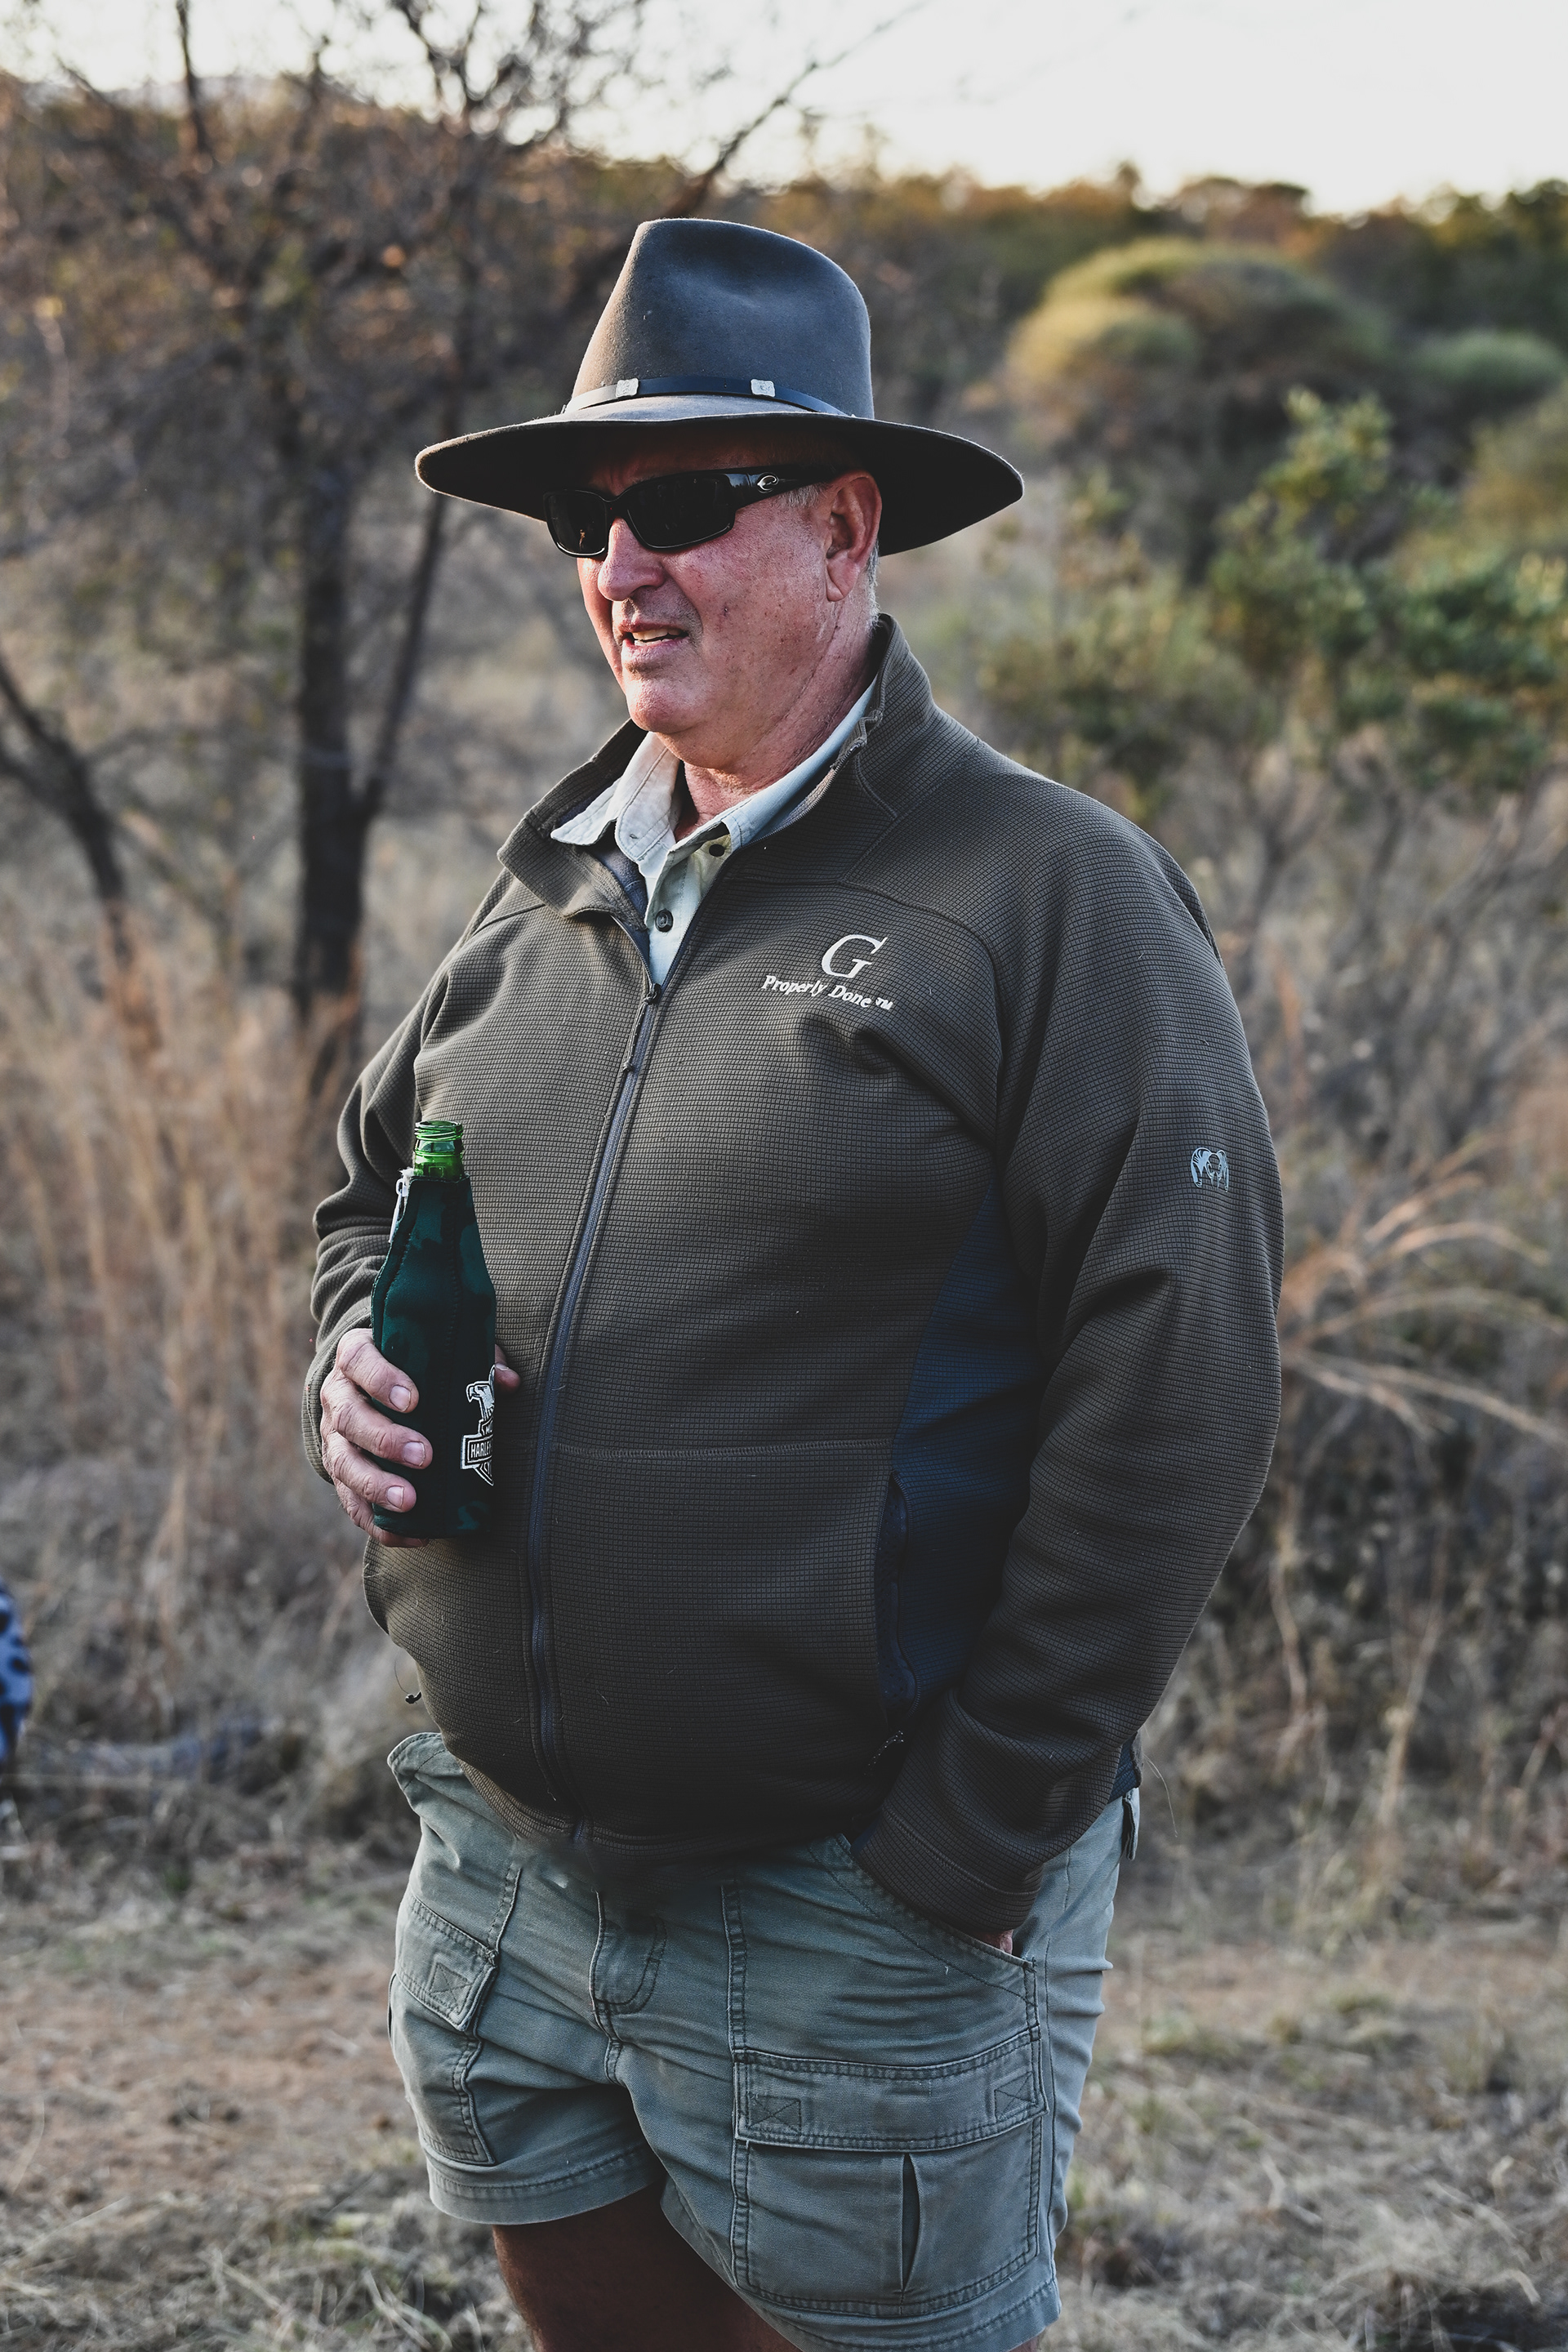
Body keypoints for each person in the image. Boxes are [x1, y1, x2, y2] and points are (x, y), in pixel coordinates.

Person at [304, 219, 1282, 2352]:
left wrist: (964, 1849)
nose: (619, 566)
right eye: (586, 518)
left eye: (677, 502)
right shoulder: (548, 876)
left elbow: (1181, 1387)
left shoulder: (1050, 895)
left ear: (848, 529)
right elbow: (366, 1200)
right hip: (504, 1883)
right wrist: (351, 1360)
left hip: (856, 1918)